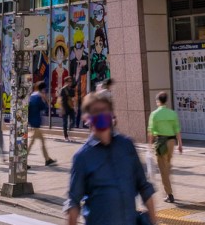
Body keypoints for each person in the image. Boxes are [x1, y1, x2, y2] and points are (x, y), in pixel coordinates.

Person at [65, 91, 156, 225]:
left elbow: (144, 187)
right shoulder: (82, 157)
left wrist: (154, 221)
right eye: (96, 111)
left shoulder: (127, 146)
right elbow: (73, 201)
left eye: (105, 110)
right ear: (87, 118)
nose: (101, 114)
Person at [147, 91, 183, 204]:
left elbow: (151, 131)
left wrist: (149, 145)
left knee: (163, 170)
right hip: (172, 142)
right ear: (166, 101)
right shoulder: (172, 113)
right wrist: (180, 144)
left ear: (158, 101)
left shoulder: (154, 114)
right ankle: (168, 189)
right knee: (167, 166)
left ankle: (169, 194)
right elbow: (177, 129)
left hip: (161, 142)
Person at [25, 85, 57, 167]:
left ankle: (47, 159)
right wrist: (45, 99)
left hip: (33, 122)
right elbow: (44, 107)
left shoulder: (32, 95)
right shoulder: (38, 97)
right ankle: (23, 160)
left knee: (42, 141)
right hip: (35, 123)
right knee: (31, 143)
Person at [60, 77, 78, 141]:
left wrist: (75, 107)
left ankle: (69, 130)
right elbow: (61, 100)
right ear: (66, 82)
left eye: (71, 81)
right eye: (69, 81)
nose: (70, 83)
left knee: (73, 121)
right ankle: (66, 136)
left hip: (71, 107)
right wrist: (62, 109)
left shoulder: (72, 90)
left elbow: (74, 99)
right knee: (65, 123)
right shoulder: (63, 89)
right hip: (65, 108)